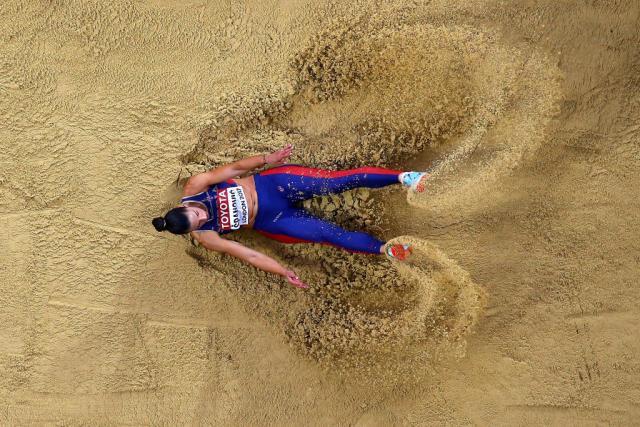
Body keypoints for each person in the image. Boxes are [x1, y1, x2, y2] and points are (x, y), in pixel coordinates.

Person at [152, 144, 430, 288]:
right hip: (272, 221)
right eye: (198, 223)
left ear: (184, 206)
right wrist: (282, 271)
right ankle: (385, 249)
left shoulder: (196, 186)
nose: (202, 217)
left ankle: (404, 178)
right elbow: (249, 255)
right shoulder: (206, 237)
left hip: (273, 184)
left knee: (336, 182)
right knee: (328, 235)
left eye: (196, 214)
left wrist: (267, 159)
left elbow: (234, 169)